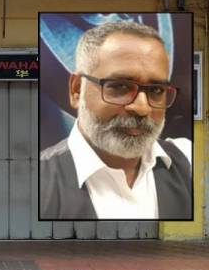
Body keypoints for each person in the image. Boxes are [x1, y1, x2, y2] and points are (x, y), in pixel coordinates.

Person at [40, 20, 192, 220]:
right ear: (77, 89)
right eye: (120, 87)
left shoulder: (189, 162)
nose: (141, 108)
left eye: (156, 90)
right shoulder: (31, 183)